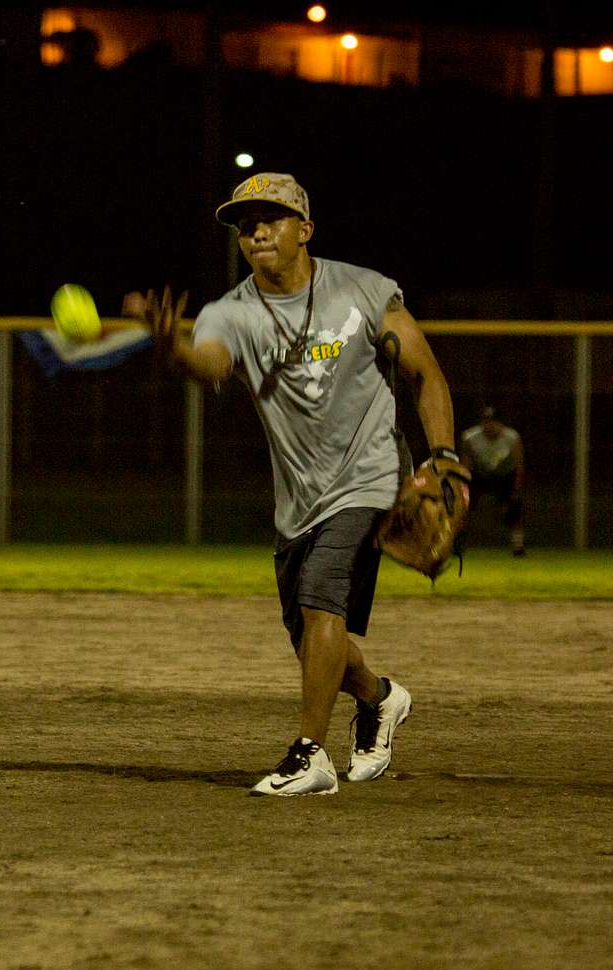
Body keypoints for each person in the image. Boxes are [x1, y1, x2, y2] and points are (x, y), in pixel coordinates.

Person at [141, 172, 464, 797]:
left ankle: (310, 755)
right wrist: (174, 350)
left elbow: (426, 374)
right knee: (314, 638)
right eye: (245, 223)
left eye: (271, 218)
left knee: (322, 599)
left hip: (373, 476)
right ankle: (380, 699)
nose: (256, 230)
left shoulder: (364, 291)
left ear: (305, 230)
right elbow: (209, 362)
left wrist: (443, 455)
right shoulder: (231, 313)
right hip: (299, 498)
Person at [460, 404, 525, 556]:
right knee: (462, 506)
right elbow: (465, 466)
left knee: (514, 507)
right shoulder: (470, 438)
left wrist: (516, 488)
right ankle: (458, 542)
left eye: (493, 422)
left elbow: (519, 465)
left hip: (504, 476)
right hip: (480, 475)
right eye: (487, 421)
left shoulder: (512, 438)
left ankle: (518, 545)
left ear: (500, 424)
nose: (490, 426)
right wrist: (463, 489)